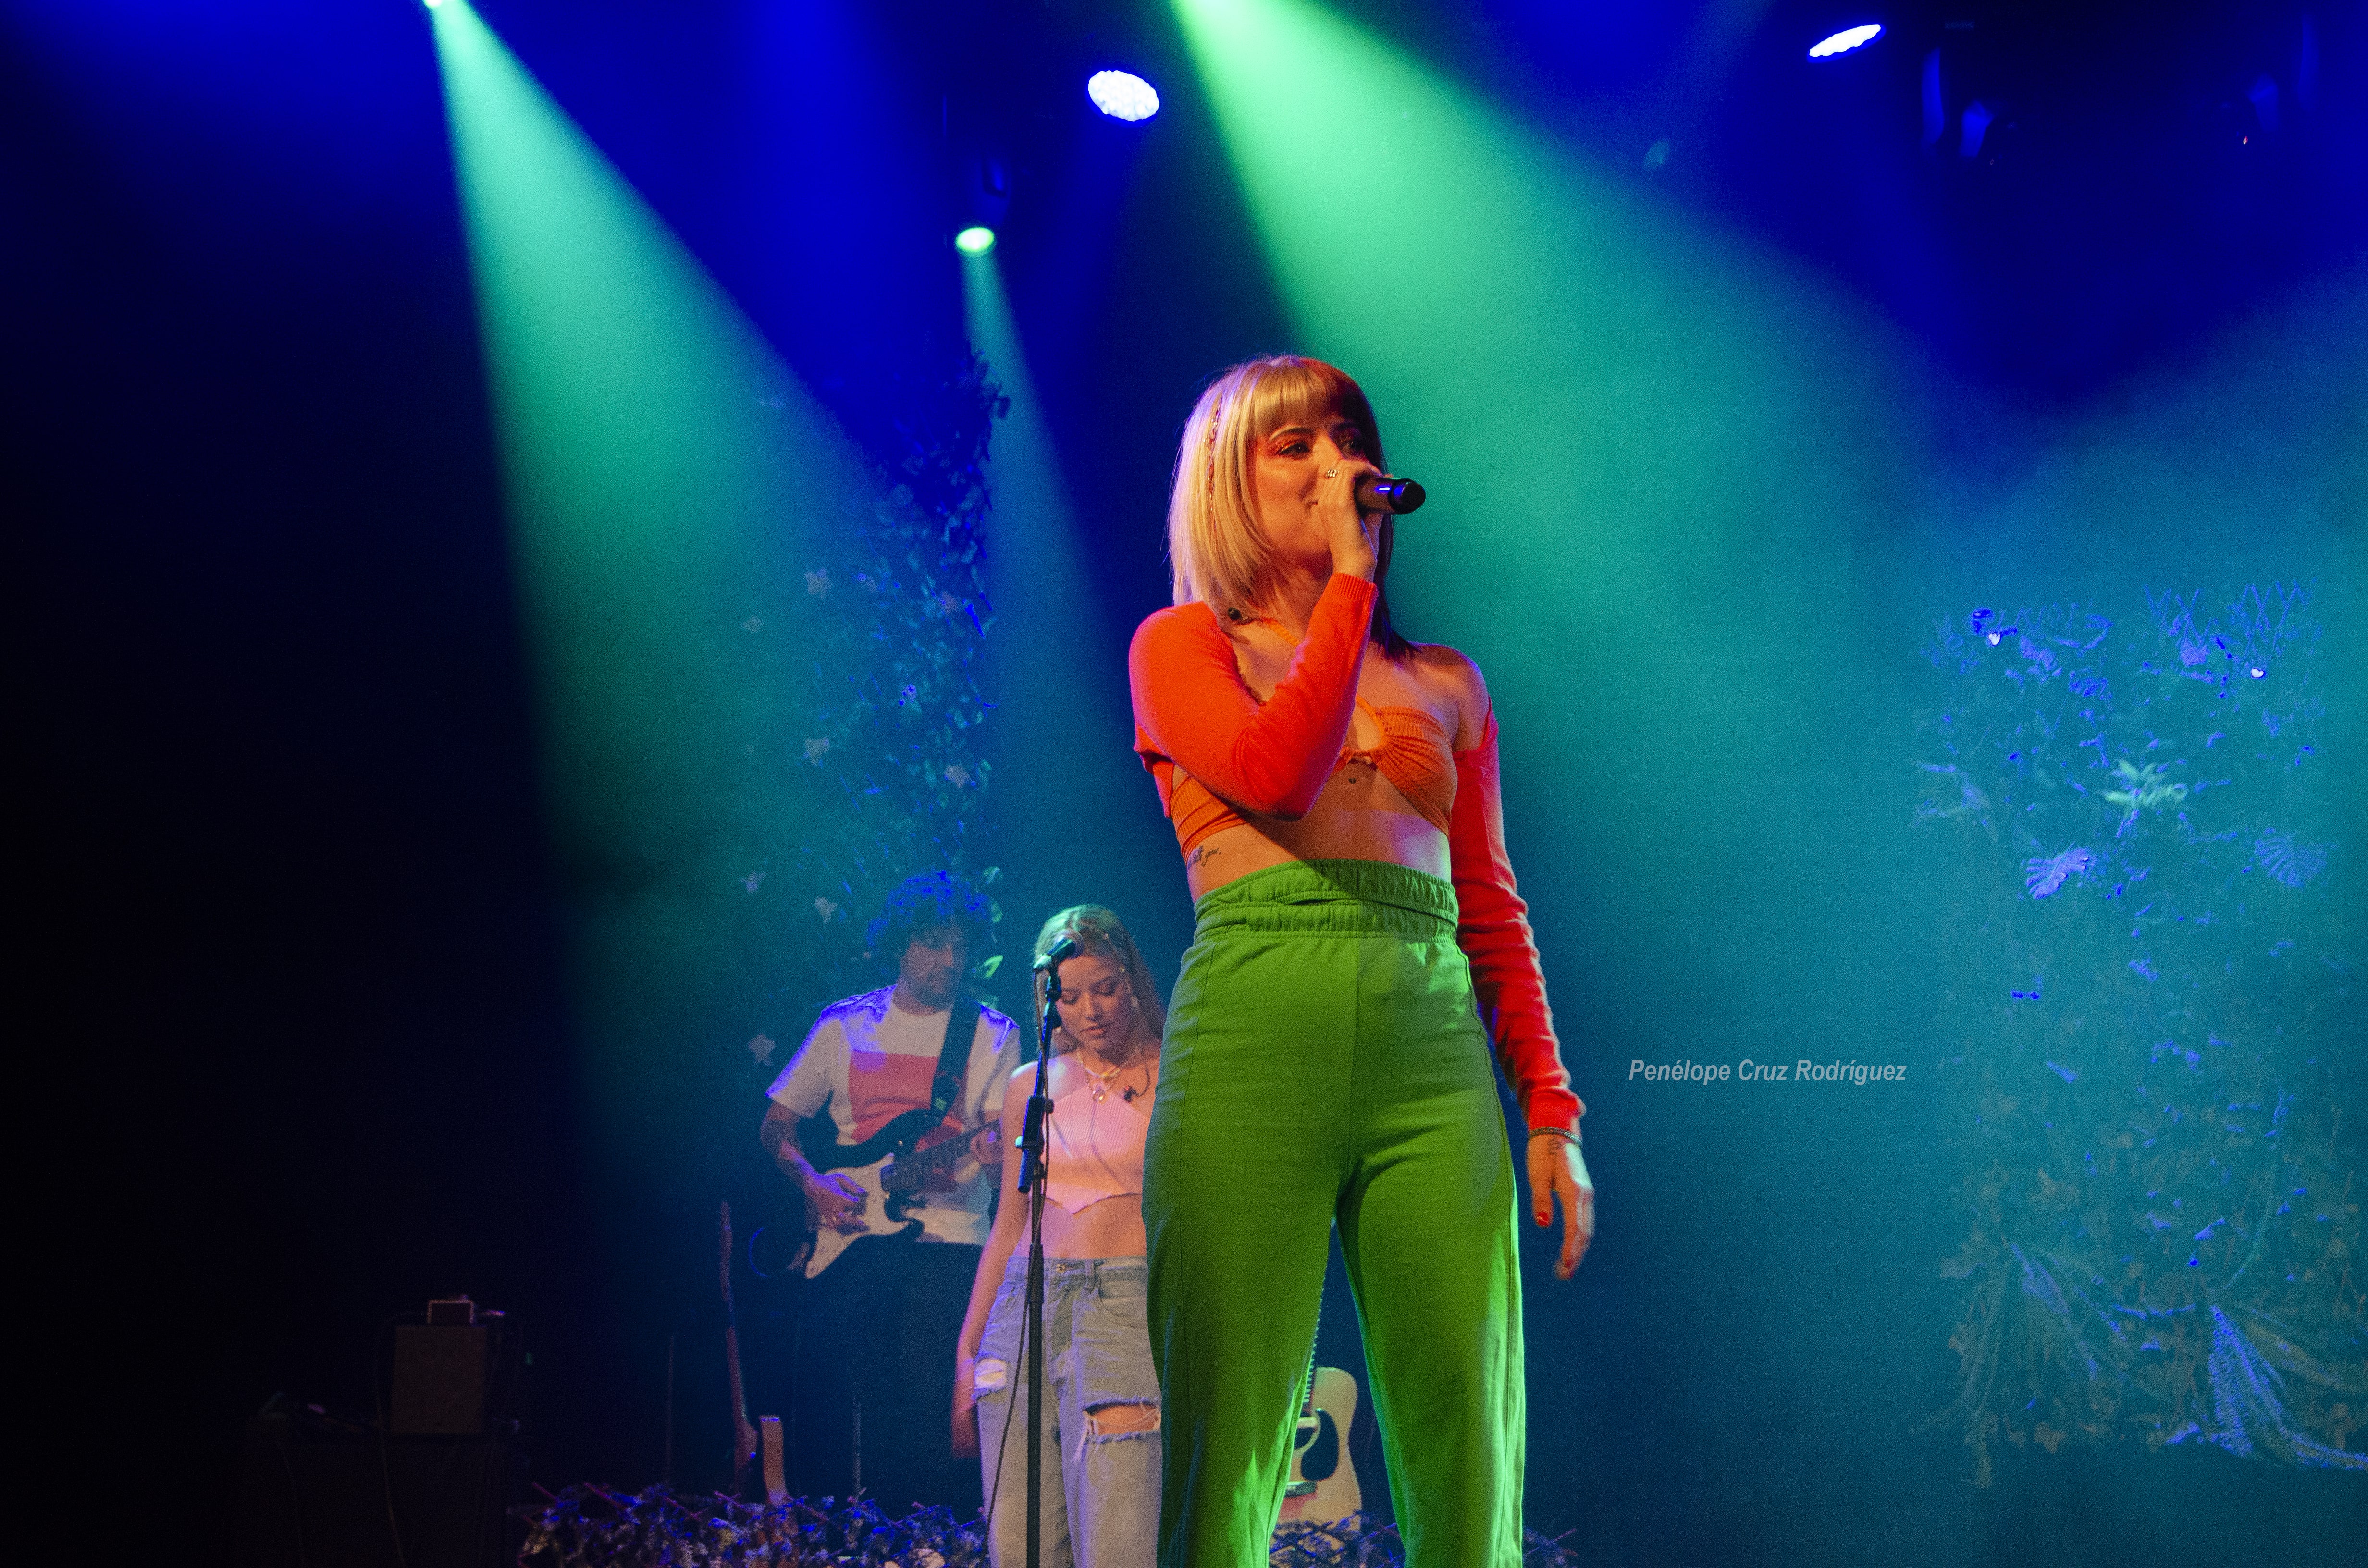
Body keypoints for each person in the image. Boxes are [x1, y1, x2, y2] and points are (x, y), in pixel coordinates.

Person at [1125, 355, 1595, 1566]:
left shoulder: (1446, 680)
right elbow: (1277, 773)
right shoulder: (1180, 647)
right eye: (1295, 445)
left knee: (1465, 1429)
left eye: (1347, 436)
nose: (1336, 462)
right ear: (1226, 482)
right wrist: (1345, 583)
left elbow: (1489, 902)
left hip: (1428, 1050)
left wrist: (1551, 1106)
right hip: (1251, 1032)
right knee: (1230, 1442)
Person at [759, 870, 1022, 1512]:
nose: (951, 961)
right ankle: (854, 1535)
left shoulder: (993, 1033)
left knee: (931, 1404)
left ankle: (934, 1537)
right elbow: (776, 1127)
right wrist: (814, 1183)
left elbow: (1003, 1160)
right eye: (935, 944)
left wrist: (995, 1161)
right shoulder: (845, 1024)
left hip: (953, 1241)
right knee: (849, 1400)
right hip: (851, 1237)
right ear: (899, 944)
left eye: (962, 946)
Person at [952, 906, 1166, 1568]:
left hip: (1123, 1306)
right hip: (1022, 1308)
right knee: (1019, 1544)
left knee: (1118, 1544)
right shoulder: (1030, 1085)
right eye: (1068, 997)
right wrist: (968, 1349)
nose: (1090, 1011)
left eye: (1105, 989)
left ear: (1131, 979)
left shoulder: (1177, 1075)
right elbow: (1009, 1223)